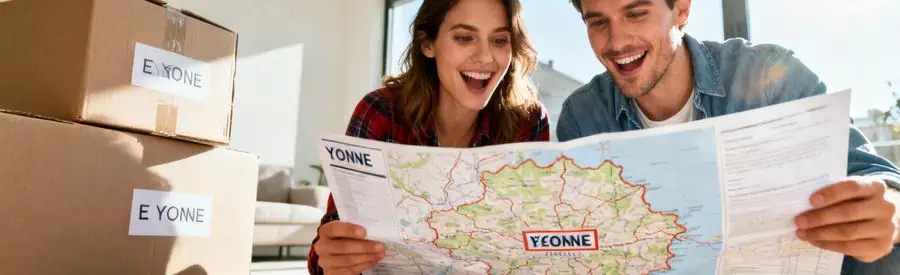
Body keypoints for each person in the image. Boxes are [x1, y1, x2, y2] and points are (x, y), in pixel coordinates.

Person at [556, 0, 900, 273]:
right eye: (598, 22)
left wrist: (889, 212)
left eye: (636, 12)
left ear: (681, 8)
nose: (617, 41)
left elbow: (874, 177)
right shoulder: (583, 117)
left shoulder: (768, 75)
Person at [307, 0, 549, 274]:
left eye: (499, 40)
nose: (485, 57)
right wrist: (332, 257)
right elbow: (330, 241)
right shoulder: (381, 112)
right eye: (464, 38)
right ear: (428, 44)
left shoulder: (528, 121)